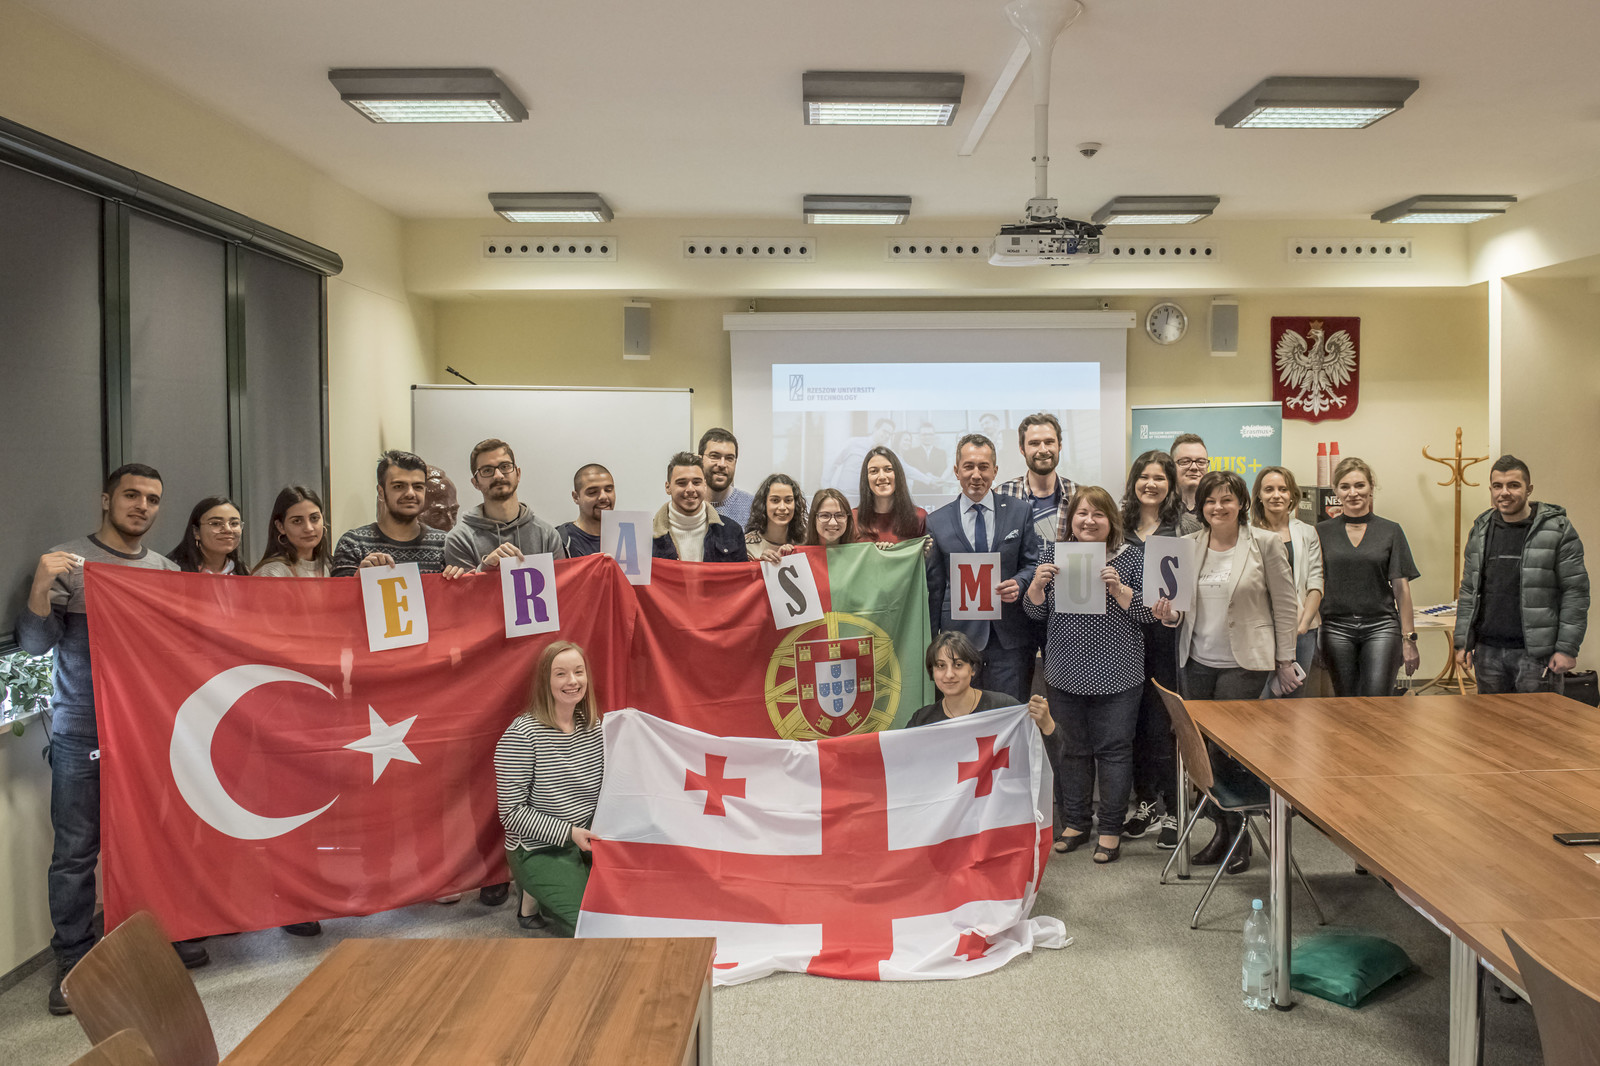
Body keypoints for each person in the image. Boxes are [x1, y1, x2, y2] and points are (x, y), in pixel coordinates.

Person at [15, 464, 208, 1014]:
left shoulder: (165, 570)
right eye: (131, 495)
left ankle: (162, 933)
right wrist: (40, 583)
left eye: (152, 498)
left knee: (157, 836)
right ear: (106, 499)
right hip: (83, 727)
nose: (142, 506)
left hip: (148, 727)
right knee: (76, 850)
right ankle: (74, 961)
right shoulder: (69, 561)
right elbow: (34, 646)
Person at [1153, 470, 1298, 873]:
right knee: (1200, 751)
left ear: (1241, 504)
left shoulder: (1265, 543)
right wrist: (1168, 616)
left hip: (1245, 663)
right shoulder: (1186, 546)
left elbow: (1286, 603)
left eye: (1226, 499)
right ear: (1201, 506)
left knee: (1227, 750)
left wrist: (1286, 659)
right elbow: (1179, 609)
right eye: (1210, 500)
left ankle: (1238, 837)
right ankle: (1225, 830)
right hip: (1197, 660)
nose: (1218, 507)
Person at [1023, 486, 1156, 865]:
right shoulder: (1053, 555)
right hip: (1064, 672)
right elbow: (1035, 613)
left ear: (1111, 520)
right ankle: (1077, 823)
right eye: (1082, 513)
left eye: (1098, 514)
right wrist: (1036, 586)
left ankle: (1110, 828)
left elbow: (1149, 614)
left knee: (1114, 752)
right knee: (1072, 750)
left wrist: (1119, 590)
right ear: (1071, 520)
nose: (1089, 521)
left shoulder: (1132, 557)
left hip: (1119, 674)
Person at [493, 641, 605, 937]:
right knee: (594, 925)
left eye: (578, 672)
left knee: (628, 905)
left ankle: (538, 893)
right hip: (538, 848)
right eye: (561, 674)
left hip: (585, 840)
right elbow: (511, 813)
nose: (573, 681)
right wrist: (569, 833)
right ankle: (533, 888)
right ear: (545, 680)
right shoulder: (522, 736)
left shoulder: (593, 726)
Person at [1118, 450, 1201, 848]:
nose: (1150, 484)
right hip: (1122, 641)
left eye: (1159, 478)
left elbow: (1194, 588)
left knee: (1161, 726)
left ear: (1171, 484)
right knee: (1132, 727)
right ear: (1133, 481)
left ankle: (1173, 809)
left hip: (1166, 641)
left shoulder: (1185, 527)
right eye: (1144, 477)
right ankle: (1146, 803)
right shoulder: (1119, 525)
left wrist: (1176, 615)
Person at [1454, 455, 1589, 693]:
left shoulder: (1557, 529)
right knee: (1491, 718)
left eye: (1513, 485)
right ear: (1491, 489)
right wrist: (1462, 643)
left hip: (1537, 655)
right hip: (1488, 652)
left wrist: (1567, 648)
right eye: (1497, 486)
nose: (1504, 492)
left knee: (1538, 718)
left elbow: (1575, 592)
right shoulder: (1481, 530)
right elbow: (1468, 590)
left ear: (1529, 489)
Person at [925, 434, 1041, 701]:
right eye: (968, 466)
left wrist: (1020, 583)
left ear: (995, 471)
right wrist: (932, 642)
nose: (976, 475)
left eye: (983, 467)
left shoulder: (1019, 511)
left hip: (1010, 640)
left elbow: (1031, 563)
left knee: (1008, 712)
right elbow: (935, 587)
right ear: (956, 471)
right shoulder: (937, 521)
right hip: (958, 641)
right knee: (962, 716)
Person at [1316, 457, 1421, 696]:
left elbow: (1401, 589)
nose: (1353, 493)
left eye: (1359, 485)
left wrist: (1409, 639)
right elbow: (1314, 585)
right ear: (1336, 491)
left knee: (1377, 698)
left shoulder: (1390, 531)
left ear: (1371, 488)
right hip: (1336, 627)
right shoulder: (1321, 532)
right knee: (1346, 699)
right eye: (1345, 487)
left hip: (1381, 626)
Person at [907, 632, 1063, 757]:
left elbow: (1047, 757)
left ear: (973, 669)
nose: (949, 674)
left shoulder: (1004, 709)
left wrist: (1047, 725)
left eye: (958, 665)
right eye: (940, 666)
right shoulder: (922, 720)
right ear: (932, 672)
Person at [1252, 466, 1324, 697]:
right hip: (1260, 630)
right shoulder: (1247, 533)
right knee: (1261, 698)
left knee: (1293, 701)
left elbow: (1315, 582)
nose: (1276, 495)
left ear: (1292, 495)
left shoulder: (1307, 532)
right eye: (1269, 489)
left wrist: (1302, 625)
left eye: (1283, 489)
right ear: (1259, 495)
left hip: (1302, 630)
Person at [444, 438, 566, 572]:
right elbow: (465, 586)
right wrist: (485, 569)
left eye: (505, 466)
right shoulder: (459, 539)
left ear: (518, 474)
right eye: (487, 470)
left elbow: (561, 583)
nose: (498, 475)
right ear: (475, 483)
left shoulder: (547, 534)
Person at [331, 451, 452, 576]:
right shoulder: (353, 544)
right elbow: (340, 589)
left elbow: (455, 587)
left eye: (418, 487)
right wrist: (358, 577)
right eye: (399, 486)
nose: (410, 493)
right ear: (381, 492)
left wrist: (460, 579)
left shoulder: (445, 544)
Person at [995, 413, 1079, 544]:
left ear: (1060, 446)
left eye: (1049, 442)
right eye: (1034, 443)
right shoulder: (1001, 495)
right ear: (1022, 449)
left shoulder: (1078, 495)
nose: (1043, 450)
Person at [651, 452, 747, 562]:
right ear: (668, 487)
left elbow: (742, 573)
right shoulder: (646, 534)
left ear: (705, 485)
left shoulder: (732, 531)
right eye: (682, 483)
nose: (690, 489)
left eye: (696, 482)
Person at [254, 486, 333, 577]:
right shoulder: (272, 572)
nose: (309, 528)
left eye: (314, 518)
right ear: (280, 527)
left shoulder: (329, 567)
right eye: (297, 521)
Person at [854, 446, 927, 544]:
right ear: (866, 478)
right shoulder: (852, 519)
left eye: (888, 469)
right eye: (874, 471)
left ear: (898, 475)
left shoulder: (919, 517)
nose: (882, 476)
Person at [167, 496, 249, 575]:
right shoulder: (173, 571)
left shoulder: (243, 573)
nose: (228, 530)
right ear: (196, 531)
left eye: (234, 523)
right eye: (216, 523)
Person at [698, 428, 754, 528]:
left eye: (729, 458)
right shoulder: (687, 503)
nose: (722, 464)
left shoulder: (751, 507)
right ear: (700, 460)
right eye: (714, 456)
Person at [557, 464, 615, 558]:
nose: (603, 496)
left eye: (608, 490)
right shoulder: (560, 540)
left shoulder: (631, 536)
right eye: (593, 492)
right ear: (576, 497)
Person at [745, 473, 807, 561]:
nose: (782, 507)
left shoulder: (805, 542)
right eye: (775, 500)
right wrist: (761, 564)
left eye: (788, 500)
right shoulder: (747, 545)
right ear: (764, 504)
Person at [1171, 433, 1209, 517]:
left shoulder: (1217, 509)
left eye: (1201, 462)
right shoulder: (1160, 508)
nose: (1194, 467)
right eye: (1185, 461)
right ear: (1172, 466)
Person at [904, 423, 948, 495]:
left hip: (937, 492)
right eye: (924, 434)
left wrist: (937, 481)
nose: (927, 437)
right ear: (919, 436)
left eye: (930, 434)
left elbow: (942, 470)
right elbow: (916, 469)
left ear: (934, 436)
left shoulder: (942, 453)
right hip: (918, 493)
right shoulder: (911, 452)